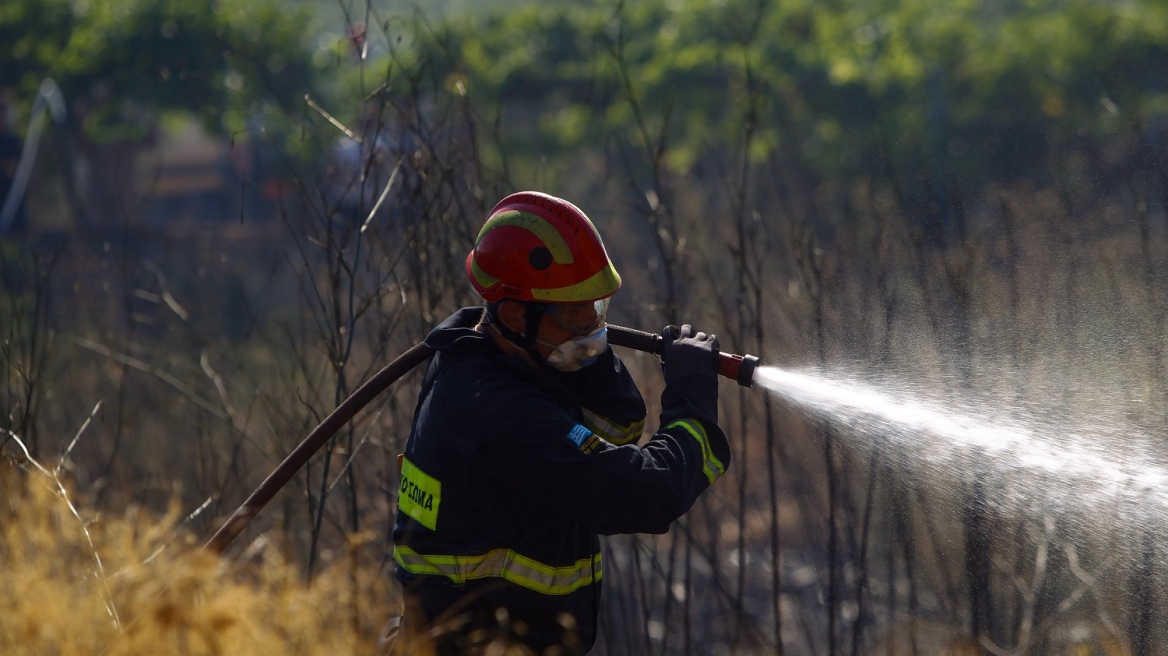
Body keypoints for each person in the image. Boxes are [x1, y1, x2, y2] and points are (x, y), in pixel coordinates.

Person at [380, 190, 729, 655]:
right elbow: (643, 494)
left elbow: (615, 427)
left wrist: (589, 352)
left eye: (596, 310)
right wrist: (692, 399)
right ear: (514, 315)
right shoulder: (497, 413)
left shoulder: (482, 355)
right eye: (573, 314)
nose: (591, 329)